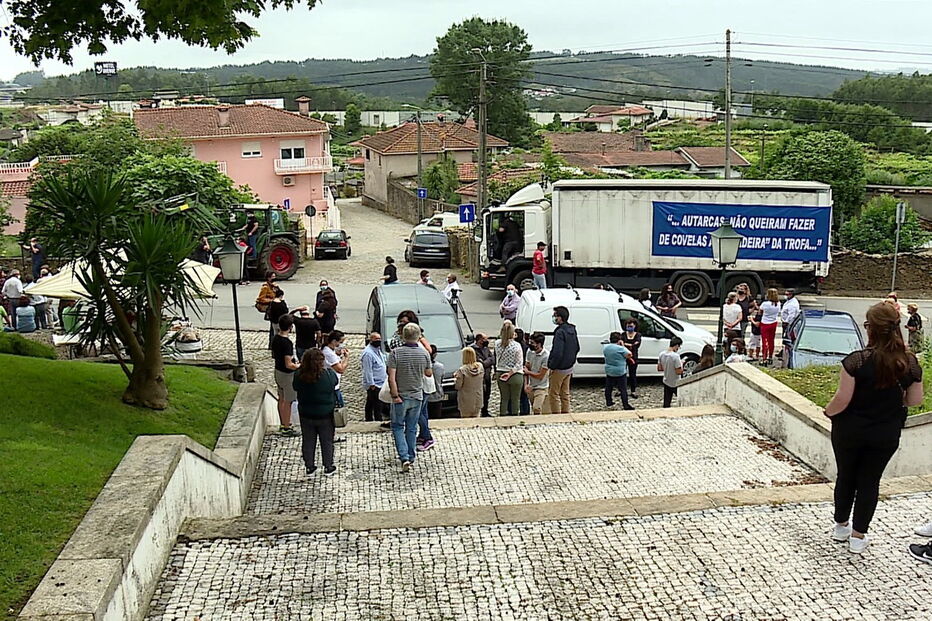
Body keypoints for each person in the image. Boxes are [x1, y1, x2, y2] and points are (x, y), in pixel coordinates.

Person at [824, 302, 923, 554]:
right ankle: (858, 537)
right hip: (885, 432)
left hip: (850, 429)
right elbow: (915, 400)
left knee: (846, 475)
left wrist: (828, 412)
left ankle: (841, 526)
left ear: (871, 329)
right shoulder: (909, 363)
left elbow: (842, 399)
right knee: (870, 481)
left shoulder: (856, 361)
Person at [387, 322, 433, 472]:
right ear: (418, 336)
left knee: (398, 426)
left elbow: (391, 377)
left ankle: (404, 456)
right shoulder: (424, 353)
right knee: (412, 427)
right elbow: (428, 373)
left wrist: (395, 395)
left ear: (403, 336)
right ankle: (411, 455)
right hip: (417, 396)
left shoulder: (395, 353)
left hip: (401, 395)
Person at [293, 349, 339, 476]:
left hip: (306, 413)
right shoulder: (328, 375)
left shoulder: (299, 375)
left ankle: (309, 466)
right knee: (327, 441)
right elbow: (335, 383)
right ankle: (328, 466)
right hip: (325, 414)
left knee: (308, 440)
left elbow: (295, 387)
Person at [271, 315, 300, 436]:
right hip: (287, 375)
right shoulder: (287, 343)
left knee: (281, 398)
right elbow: (289, 364)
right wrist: (299, 366)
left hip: (278, 370)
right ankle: (287, 427)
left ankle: (283, 423)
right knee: (288, 401)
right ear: (291, 327)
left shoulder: (276, 338)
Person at [547, 305, 580, 414]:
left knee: (554, 394)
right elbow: (577, 347)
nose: (554, 317)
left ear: (560, 317)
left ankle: (556, 416)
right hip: (569, 367)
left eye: (555, 315)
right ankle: (566, 413)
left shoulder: (560, 332)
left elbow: (557, 352)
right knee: (565, 393)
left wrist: (552, 365)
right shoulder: (572, 330)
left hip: (559, 368)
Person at [496, 321, 525, 416]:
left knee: (504, 398)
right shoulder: (517, 346)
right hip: (515, 374)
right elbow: (519, 363)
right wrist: (510, 373)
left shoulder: (497, 344)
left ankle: (503, 415)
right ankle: (514, 417)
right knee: (515, 399)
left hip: (500, 371)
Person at [361, 332, 389, 422]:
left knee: (371, 403)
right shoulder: (368, 353)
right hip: (375, 384)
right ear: (371, 340)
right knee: (377, 405)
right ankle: (376, 420)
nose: (378, 341)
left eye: (379, 339)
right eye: (376, 339)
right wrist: (371, 384)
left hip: (381, 382)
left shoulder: (378, 350)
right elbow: (367, 370)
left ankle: (369, 419)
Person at [603, 331, 634, 410]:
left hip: (609, 370)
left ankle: (609, 401)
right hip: (620, 371)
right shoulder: (620, 349)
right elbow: (629, 354)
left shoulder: (606, 347)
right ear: (619, 339)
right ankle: (625, 405)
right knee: (623, 389)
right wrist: (623, 345)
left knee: (608, 387)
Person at [321, 330, 349, 410]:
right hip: (333, 386)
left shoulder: (331, 350)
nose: (341, 345)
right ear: (334, 341)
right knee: (338, 409)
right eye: (340, 342)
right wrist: (346, 358)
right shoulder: (328, 353)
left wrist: (338, 354)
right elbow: (340, 369)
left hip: (334, 385)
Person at [454, 347, 485, 418]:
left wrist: (456, 379)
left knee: (465, 420)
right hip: (478, 398)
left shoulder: (462, 370)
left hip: (465, 400)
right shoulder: (480, 367)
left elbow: (458, 386)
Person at [524, 332, 550, 414]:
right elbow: (526, 368)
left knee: (537, 408)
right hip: (531, 386)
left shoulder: (546, 356)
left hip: (541, 387)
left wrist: (528, 372)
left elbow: (540, 376)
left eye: (532, 343)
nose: (530, 344)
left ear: (539, 344)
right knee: (534, 407)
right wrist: (526, 384)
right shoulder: (530, 352)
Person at [472, 332, 494, 417]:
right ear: (480, 340)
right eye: (485, 339)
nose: (487, 341)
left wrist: (485, 362)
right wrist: (486, 362)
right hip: (479, 377)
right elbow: (478, 362)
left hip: (487, 375)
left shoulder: (486, 349)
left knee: (487, 394)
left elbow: (492, 358)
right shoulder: (473, 350)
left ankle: (485, 411)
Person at [658, 336, 684, 408]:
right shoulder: (675, 356)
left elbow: (659, 368)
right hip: (675, 382)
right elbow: (678, 371)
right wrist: (682, 364)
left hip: (666, 380)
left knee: (666, 402)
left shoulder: (661, 354)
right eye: (679, 347)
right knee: (682, 399)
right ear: (676, 346)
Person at [621, 318, 642, 399]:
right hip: (623, 357)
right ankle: (621, 389)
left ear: (635, 326)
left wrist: (627, 344)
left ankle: (633, 391)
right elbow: (621, 344)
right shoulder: (623, 334)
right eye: (628, 326)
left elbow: (636, 344)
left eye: (631, 326)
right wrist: (629, 345)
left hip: (634, 357)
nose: (629, 327)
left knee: (632, 375)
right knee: (622, 374)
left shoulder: (638, 335)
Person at [759, 288, 781, 366]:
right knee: (771, 340)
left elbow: (760, 312)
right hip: (773, 322)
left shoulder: (765, 304)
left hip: (765, 323)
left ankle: (764, 358)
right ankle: (770, 356)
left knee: (765, 341)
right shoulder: (778, 303)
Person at [514, 328, 531, 415]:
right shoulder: (526, 347)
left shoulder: (516, 346)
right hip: (524, 371)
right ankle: (525, 411)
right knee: (524, 395)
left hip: (518, 371)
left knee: (519, 395)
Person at [427, 344, 445, 418]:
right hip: (437, 396)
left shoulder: (422, 366)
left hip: (426, 396)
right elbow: (441, 379)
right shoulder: (440, 367)